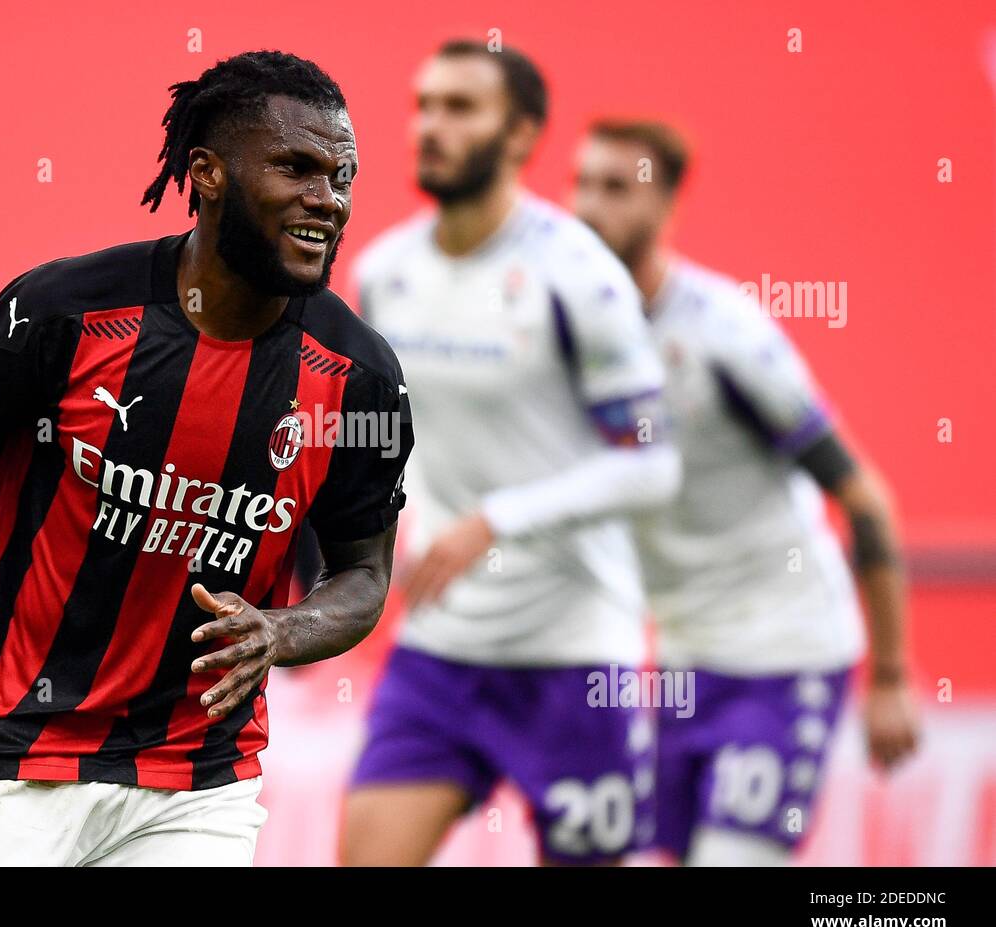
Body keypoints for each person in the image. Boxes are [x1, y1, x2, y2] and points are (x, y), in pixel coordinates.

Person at [0, 50, 413, 866]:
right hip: (17, 756)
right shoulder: (64, 312)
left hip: (201, 787)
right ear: (205, 172)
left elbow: (364, 578)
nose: (327, 201)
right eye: (296, 169)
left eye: (341, 176)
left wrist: (281, 629)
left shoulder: (361, 379)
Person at [340, 41, 680, 866]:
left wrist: (494, 521)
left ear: (522, 133)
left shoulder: (578, 276)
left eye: (460, 108)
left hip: (571, 656)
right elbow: (372, 446)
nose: (430, 126)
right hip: (440, 652)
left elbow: (652, 463)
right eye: (424, 104)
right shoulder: (385, 271)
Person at [571, 119, 919, 865]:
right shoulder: (572, 342)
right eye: (581, 184)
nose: (589, 206)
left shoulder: (725, 334)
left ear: (666, 206)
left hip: (783, 655)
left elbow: (864, 498)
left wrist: (891, 676)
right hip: (680, 669)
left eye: (616, 187)